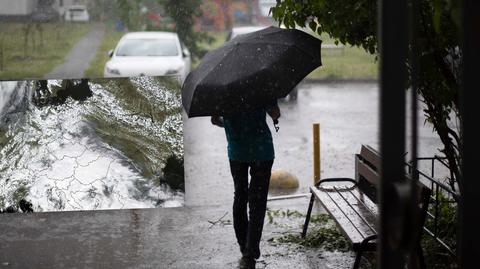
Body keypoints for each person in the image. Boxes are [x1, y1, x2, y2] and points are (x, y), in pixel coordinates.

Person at [211, 101, 280, 268]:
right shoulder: (261, 85)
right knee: (258, 202)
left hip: (237, 152)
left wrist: (228, 122)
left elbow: (214, 120)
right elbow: (275, 113)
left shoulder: (222, 91)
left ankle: (244, 246)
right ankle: (251, 250)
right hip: (262, 151)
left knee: (240, 196)